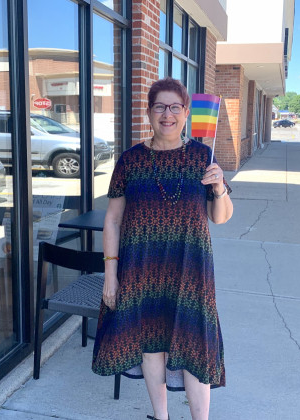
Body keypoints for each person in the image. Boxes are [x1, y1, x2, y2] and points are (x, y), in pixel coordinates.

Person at [92, 77, 233, 420]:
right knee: (150, 342)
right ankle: (162, 416)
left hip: (190, 268)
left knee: (194, 343)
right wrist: (110, 276)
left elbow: (221, 218)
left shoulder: (204, 157)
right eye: (159, 107)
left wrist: (219, 189)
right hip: (141, 268)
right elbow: (112, 220)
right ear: (149, 112)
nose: (166, 114)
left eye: (174, 107)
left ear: (186, 112)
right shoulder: (129, 161)